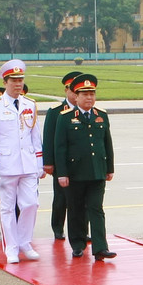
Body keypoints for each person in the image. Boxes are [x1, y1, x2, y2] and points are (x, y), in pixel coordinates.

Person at [0, 59, 44, 265]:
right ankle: (11, 247)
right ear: (5, 82)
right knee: (7, 208)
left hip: (27, 163)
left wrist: (39, 162)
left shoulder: (30, 105)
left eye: (20, 80)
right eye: (14, 80)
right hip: (6, 165)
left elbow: (36, 136)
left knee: (31, 204)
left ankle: (25, 242)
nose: (18, 84)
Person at [54, 73, 116, 261]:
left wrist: (109, 168)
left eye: (92, 94)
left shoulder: (101, 116)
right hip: (75, 173)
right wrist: (62, 173)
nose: (89, 98)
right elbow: (60, 147)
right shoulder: (65, 118)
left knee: (96, 209)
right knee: (76, 209)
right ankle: (78, 244)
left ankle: (100, 248)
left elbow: (107, 143)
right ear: (76, 96)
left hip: (97, 171)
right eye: (84, 94)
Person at [42, 71, 81, 240]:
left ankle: (81, 230)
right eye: (73, 91)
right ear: (66, 90)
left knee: (82, 200)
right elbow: (49, 137)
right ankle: (58, 227)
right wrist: (48, 162)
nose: (75, 95)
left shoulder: (88, 110)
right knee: (61, 198)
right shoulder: (56, 111)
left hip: (81, 163)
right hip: (61, 163)